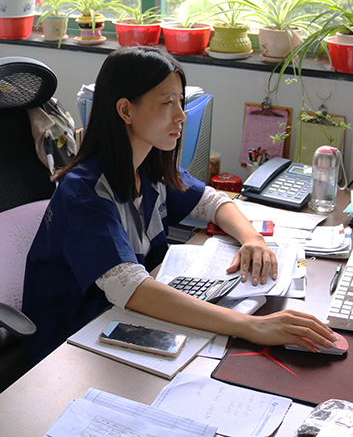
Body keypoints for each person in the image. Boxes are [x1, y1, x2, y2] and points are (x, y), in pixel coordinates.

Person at [22, 46, 335, 363]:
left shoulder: (147, 167)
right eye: (167, 103)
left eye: (181, 102)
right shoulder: (84, 193)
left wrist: (251, 239)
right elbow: (131, 288)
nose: (181, 115)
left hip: (127, 322)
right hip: (71, 348)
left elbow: (212, 201)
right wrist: (251, 326)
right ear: (126, 111)